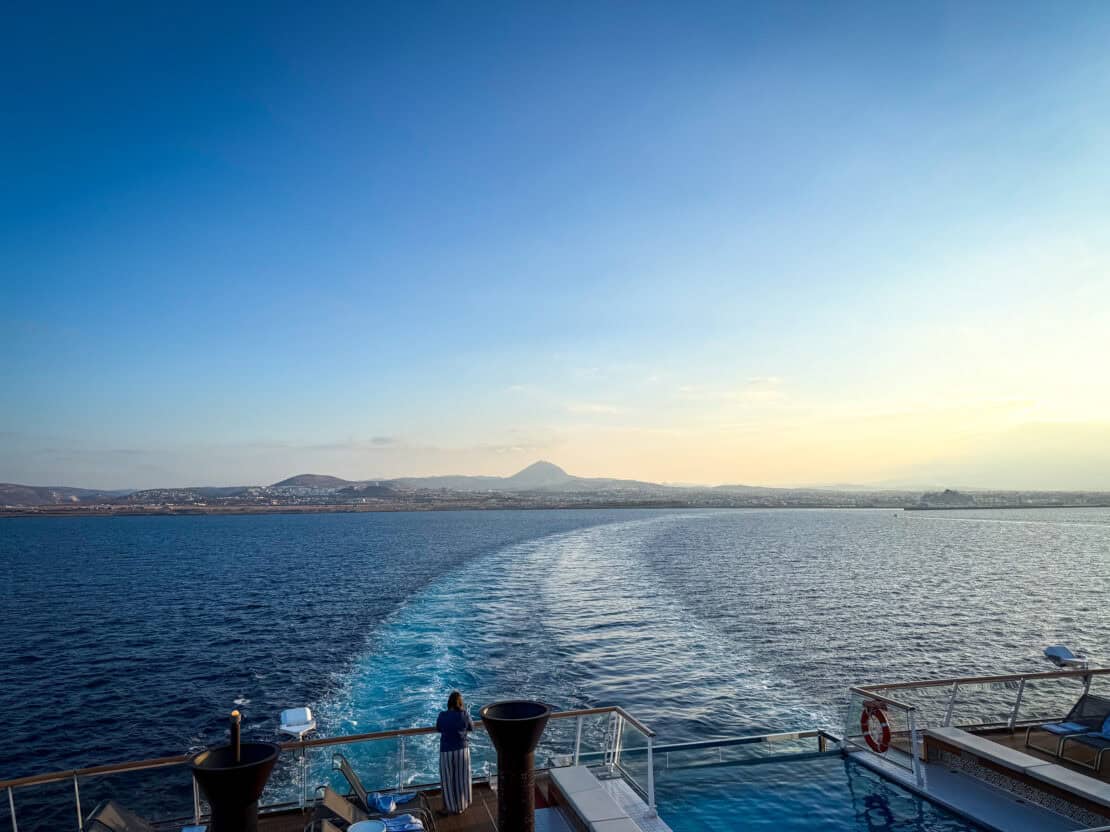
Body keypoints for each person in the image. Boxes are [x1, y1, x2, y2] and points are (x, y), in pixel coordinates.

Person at [435, 690, 474, 815]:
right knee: (462, 778)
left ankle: (448, 807)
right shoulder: (464, 714)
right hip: (462, 750)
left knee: (447, 780)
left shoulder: (442, 715)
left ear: (449, 703)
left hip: (446, 750)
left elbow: (438, 728)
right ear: (460, 703)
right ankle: (461, 806)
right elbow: (471, 727)